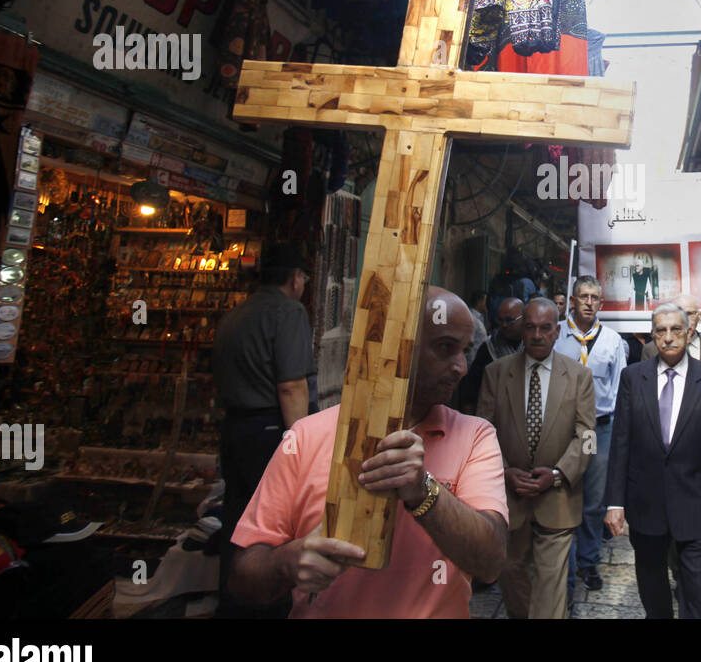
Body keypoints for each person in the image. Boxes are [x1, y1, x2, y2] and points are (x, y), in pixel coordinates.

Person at [227, 287, 508, 618]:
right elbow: (242, 579)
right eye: (445, 348)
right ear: (398, 343)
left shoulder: (474, 436)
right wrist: (286, 562)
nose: (460, 367)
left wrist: (423, 490)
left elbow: (490, 562)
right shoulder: (307, 436)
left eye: (465, 350)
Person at [604, 303, 701, 618]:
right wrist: (614, 502)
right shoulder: (633, 377)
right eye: (661, 331)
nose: (669, 337)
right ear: (653, 336)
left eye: (676, 330)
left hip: (697, 503)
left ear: (689, 332)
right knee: (652, 585)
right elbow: (621, 442)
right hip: (646, 503)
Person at [213, 242, 317, 618]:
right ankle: (269, 606)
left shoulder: (236, 314)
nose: (304, 284)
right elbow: (292, 385)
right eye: (304, 277)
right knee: (275, 521)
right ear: (294, 278)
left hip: (236, 428)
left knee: (238, 518)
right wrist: (299, 444)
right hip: (270, 428)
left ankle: (233, 600)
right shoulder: (288, 312)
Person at [477, 298, 595, 618]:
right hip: (508, 497)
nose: (538, 335)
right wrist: (504, 472)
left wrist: (557, 474)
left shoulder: (579, 376)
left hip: (557, 496)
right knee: (510, 569)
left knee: (551, 581)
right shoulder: (496, 374)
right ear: (521, 330)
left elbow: (587, 439)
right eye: (530, 327)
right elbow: (482, 434)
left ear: (557, 332)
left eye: (545, 328)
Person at [553, 275, 627, 592]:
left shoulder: (612, 340)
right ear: (572, 300)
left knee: (594, 500)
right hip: (563, 429)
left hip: (598, 428)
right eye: (582, 296)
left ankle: (588, 561)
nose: (588, 302)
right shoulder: (556, 335)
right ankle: (563, 567)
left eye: (594, 297)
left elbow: (622, 388)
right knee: (562, 495)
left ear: (601, 303)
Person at [451, 297, 524, 414]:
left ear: (524, 318)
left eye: (509, 320)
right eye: (500, 320)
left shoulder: (531, 348)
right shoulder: (489, 348)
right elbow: (471, 388)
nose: (504, 325)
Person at [643, 292, 701, 364]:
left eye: (689, 313)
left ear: (699, 316)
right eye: (677, 314)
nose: (684, 319)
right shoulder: (651, 350)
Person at [465, 290, 489, 366]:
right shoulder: (472, 318)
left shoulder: (480, 318)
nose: (488, 304)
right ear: (480, 302)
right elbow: (469, 345)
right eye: (486, 301)